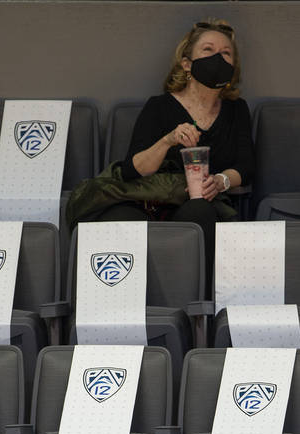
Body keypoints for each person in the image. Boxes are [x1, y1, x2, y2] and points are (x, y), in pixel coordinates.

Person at [95, 19, 254, 270]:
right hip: (149, 201)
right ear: (187, 65)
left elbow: (246, 166)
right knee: (118, 219)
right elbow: (132, 169)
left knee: (200, 212)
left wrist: (221, 181)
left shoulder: (237, 109)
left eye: (226, 53)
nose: (218, 59)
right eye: (208, 50)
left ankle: (196, 306)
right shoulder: (159, 106)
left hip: (198, 203)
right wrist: (168, 140)